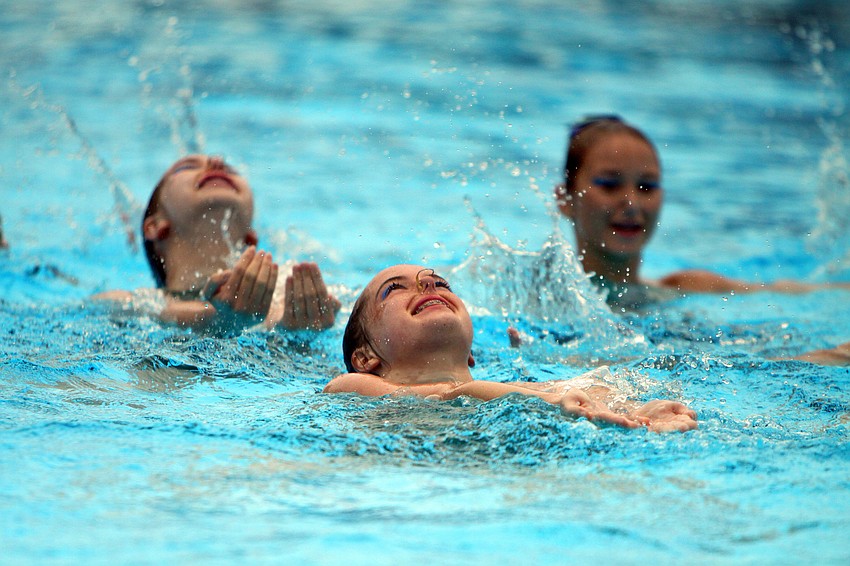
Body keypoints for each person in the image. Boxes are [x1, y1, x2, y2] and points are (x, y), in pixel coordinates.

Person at [324, 264, 698, 433]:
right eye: (395, 288)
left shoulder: (512, 391)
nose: (428, 288)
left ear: (471, 352)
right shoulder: (349, 387)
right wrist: (554, 402)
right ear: (365, 357)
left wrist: (633, 411)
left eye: (440, 282)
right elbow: (446, 395)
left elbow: (570, 391)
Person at [555, 115, 850, 296]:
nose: (631, 203)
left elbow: (794, 292)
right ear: (566, 200)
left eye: (647, 186)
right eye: (609, 184)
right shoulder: (542, 298)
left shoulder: (688, 287)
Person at [95, 154, 339, 333]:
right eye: (188, 166)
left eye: (231, 169)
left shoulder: (280, 300)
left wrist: (296, 330)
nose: (217, 162)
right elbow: (102, 307)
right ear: (154, 227)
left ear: (250, 238)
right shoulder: (128, 302)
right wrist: (217, 320)